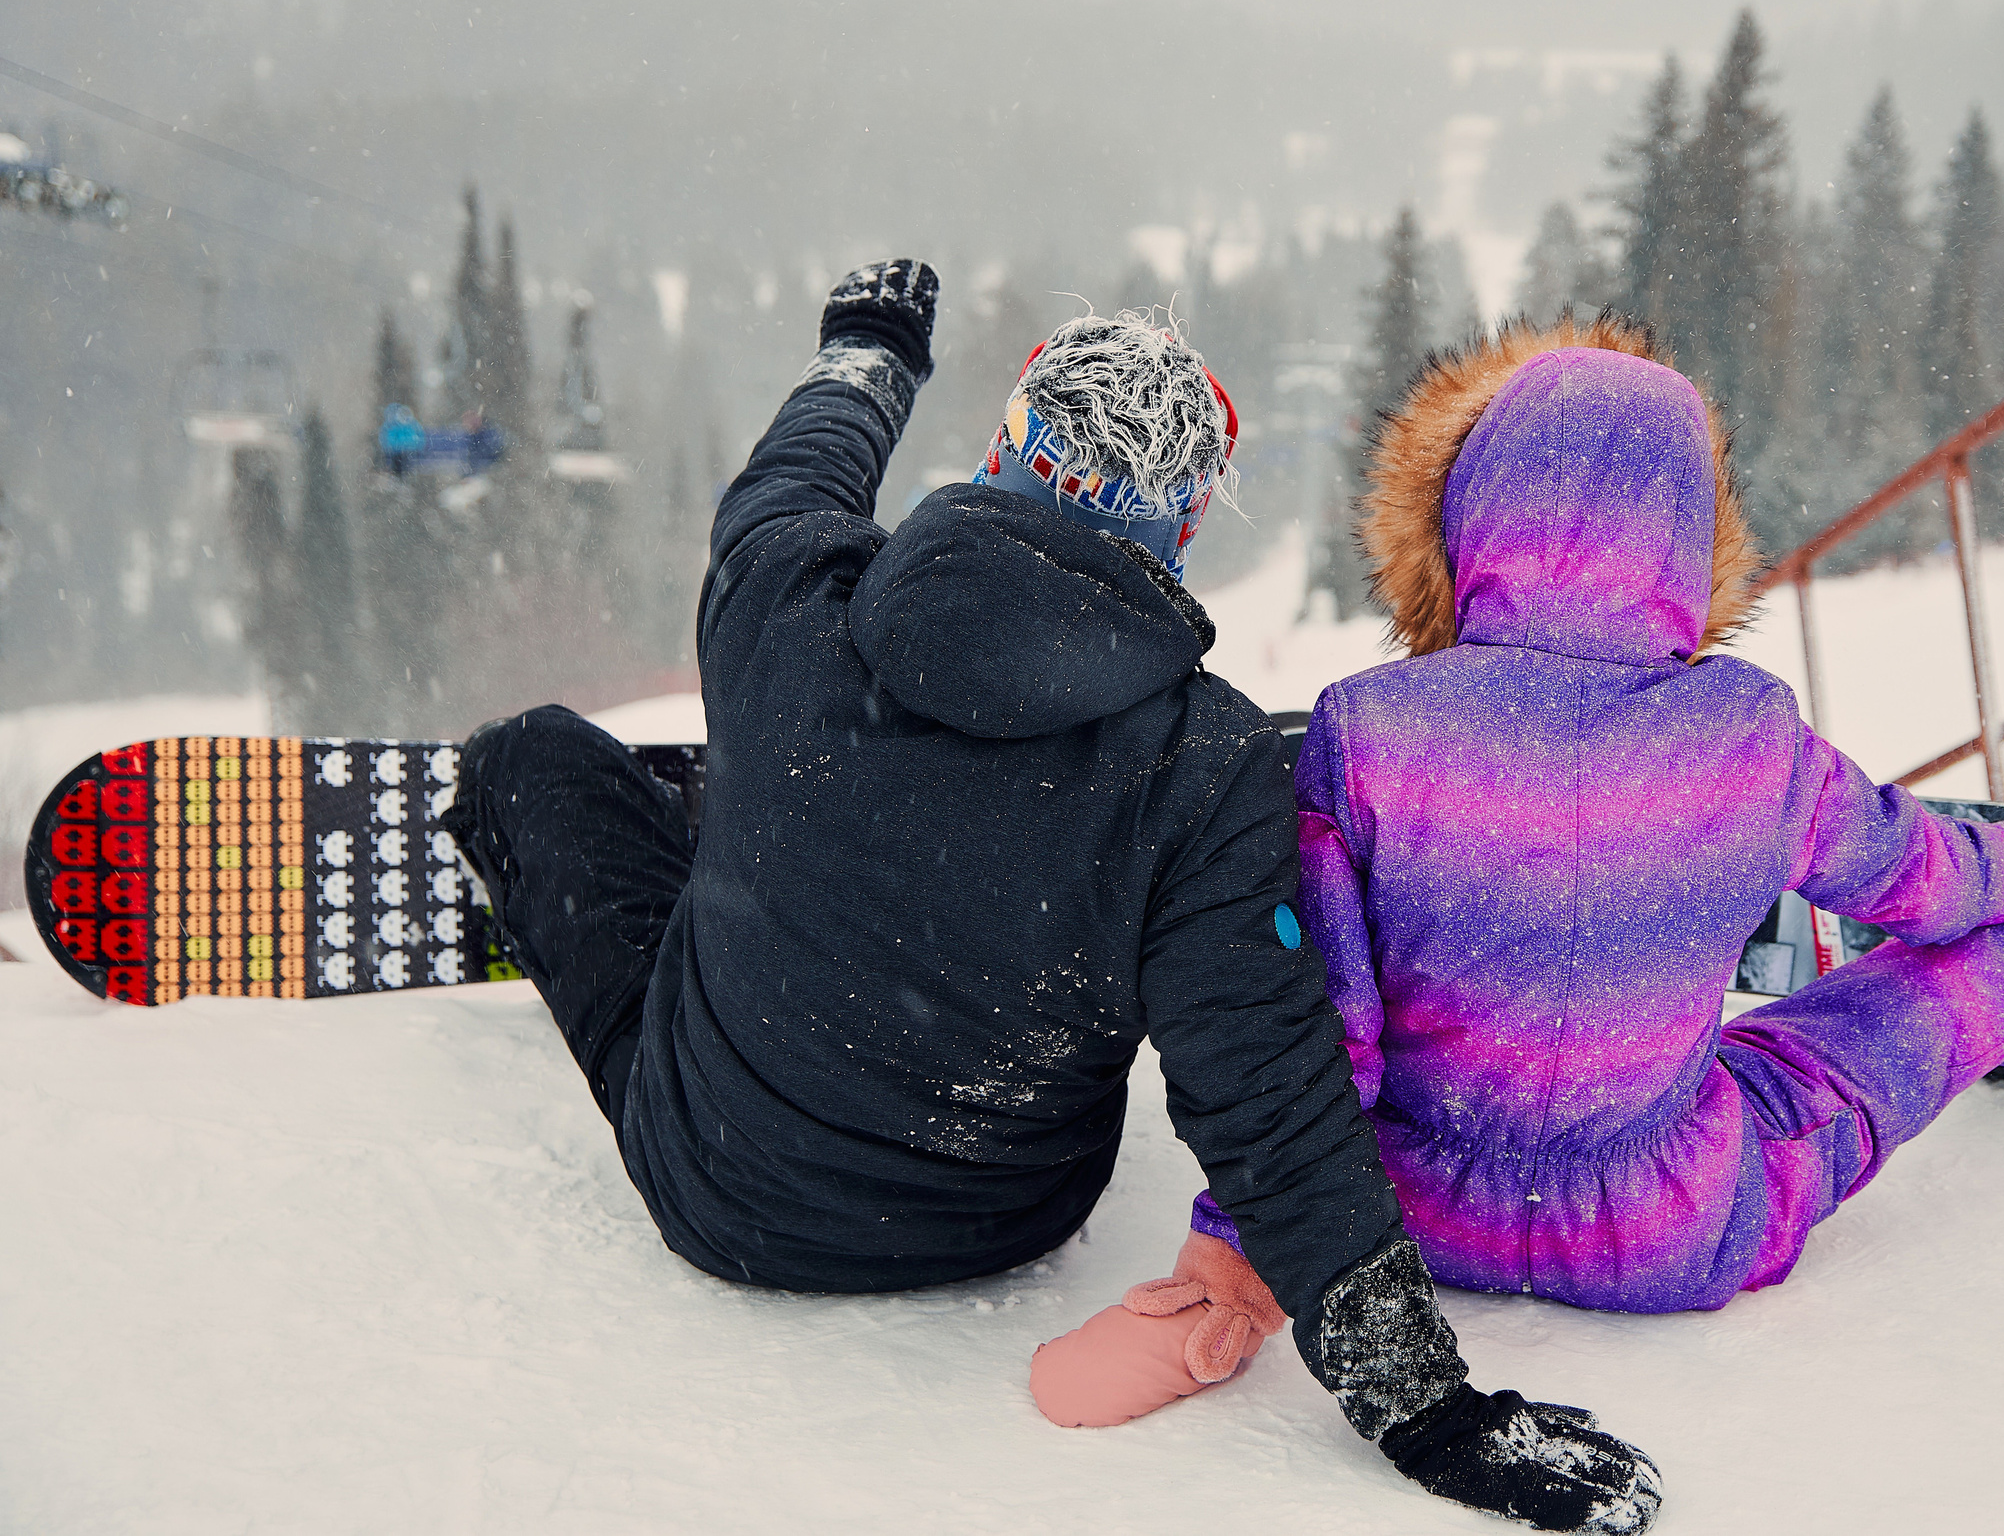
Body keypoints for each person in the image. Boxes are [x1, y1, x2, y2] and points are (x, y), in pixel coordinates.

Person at [439, 262, 1661, 1534]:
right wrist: (1428, 1409)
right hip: (1005, 1212)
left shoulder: (787, 591)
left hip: (718, 1184)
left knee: (531, 755)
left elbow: (799, 467)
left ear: (999, 448)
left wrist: (871, 344)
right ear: (1182, 532)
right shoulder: (1213, 767)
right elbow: (1270, 1095)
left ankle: (743, 826)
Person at [1292, 313, 2004, 1315]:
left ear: (1465, 512)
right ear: (1689, 536)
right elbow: (1918, 878)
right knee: (1913, 1006)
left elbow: (1323, 1035)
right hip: (1667, 1228)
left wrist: (1262, 1240)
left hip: (1415, 1216)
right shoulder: (1745, 731)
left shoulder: (1361, 730)